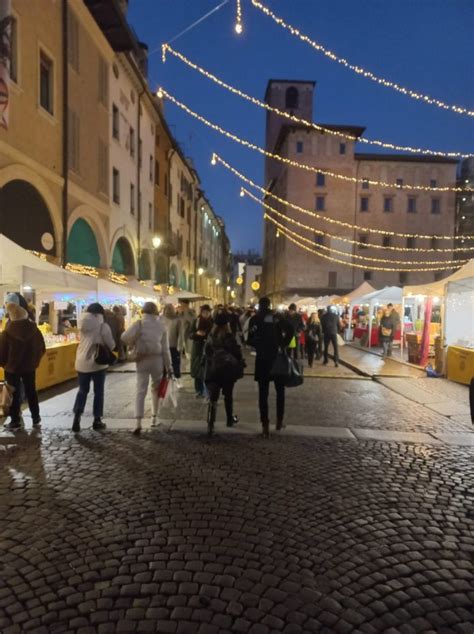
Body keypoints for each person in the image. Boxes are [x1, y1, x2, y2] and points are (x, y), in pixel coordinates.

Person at [122, 302, 172, 435]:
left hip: (142, 359)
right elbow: (166, 350)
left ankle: (138, 422)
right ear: (155, 312)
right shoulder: (161, 326)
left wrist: (133, 341)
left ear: (143, 311)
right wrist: (169, 366)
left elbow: (124, 337)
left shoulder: (138, 323)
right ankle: (154, 418)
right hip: (157, 360)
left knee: (140, 390)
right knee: (156, 389)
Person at [248, 298, 294, 437]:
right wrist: (283, 344)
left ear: (259, 306)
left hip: (262, 358)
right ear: (269, 305)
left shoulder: (255, 319)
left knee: (263, 393)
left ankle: (265, 424)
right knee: (280, 391)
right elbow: (291, 329)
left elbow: (249, 338)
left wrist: (259, 346)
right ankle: (279, 421)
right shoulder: (276, 317)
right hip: (277, 357)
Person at [0, 297, 46, 430]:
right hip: (29, 367)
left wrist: (4, 364)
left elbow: (2, 352)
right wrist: (34, 361)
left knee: (12, 393)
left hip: (12, 368)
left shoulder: (7, 332)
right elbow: (41, 347)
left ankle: (15, 420)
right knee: (31, 391)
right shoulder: (34, 329)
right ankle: (36, 417)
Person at [72, 303, 115, 432]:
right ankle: (97, 420)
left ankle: (77, 416)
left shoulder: (82, 323)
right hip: (97, 363)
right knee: (98, 392)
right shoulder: (103, 326)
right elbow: (111, 345)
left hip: (81, 361)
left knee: (82, 390)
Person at [204, 311, 243, 435]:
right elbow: (236, 353)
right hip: (226, 370)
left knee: (213, 397)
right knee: (228, 396)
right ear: (227, 324)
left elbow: (205, 353)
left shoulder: (211, 336)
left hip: (213, 370)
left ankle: (211, 422)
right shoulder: (229, 337)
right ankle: (229, 420)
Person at [190, 305, 213, 397]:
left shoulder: (212, 322)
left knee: (209, 370)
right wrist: (196, 334)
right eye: (204, 312)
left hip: (209, 348)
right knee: (197, 369)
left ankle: (209, 391)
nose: (206, 314)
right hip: (197, 348)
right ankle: (199, 390)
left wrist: (207, 335)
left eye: (207, 312)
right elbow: (190, 334)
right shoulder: (196, 322)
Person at [162, 303, 182, 387]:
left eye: (170, 309)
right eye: (167, 309)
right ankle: (164, 381)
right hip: (163, 346)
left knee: (175, 363)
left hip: (173, 345)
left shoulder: (177, 320)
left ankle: (177, 378)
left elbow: (180, 334)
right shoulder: (161, 319)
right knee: (163, 364)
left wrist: (179, 346)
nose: (168, 311)